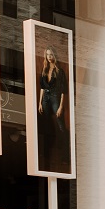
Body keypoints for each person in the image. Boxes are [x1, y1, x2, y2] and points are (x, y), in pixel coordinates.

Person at [35, 45, 70, 174]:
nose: (49, 57)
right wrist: (39, 103)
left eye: (51, 55)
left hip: (56, 97)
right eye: (47, 55)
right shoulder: (44, 69)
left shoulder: (60, 71)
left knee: (61, 126)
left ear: (55, 55)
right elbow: (43, 88)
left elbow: (63, 90)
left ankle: (65, 155)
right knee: (45, 125)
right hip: (45, 98)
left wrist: (61, 106)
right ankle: (45, 154)